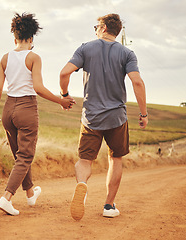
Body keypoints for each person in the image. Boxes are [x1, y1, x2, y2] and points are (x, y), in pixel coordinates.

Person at [59, 13, 148, 220]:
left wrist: (64, 94)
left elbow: (64, 73)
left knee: (84, 160)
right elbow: (138, 83)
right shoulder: (127, 53)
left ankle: (82, 185)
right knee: (115, 158)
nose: (95, 30)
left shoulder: (85, 48)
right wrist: (143, 114)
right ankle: (109, 206)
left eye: (96, 27)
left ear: (104, 28)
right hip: (117, 117)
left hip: (91, 117)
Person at [0, 13, 74, 216]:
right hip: (26, 108)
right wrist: (61, 101)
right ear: (31, 38)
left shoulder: (5, 57)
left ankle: (30, 193)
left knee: (19, 155)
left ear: (15, 38)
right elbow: (38, 87)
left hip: (8, 109)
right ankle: (6, 197)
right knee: (25, 156)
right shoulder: (34, 57)